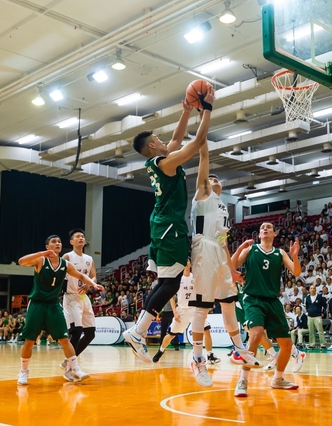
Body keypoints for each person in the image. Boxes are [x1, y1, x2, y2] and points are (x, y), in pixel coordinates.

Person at [124, 84, 215, 362]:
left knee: (167, 282)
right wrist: (207, 109)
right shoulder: (166, 164)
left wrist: (186, 112)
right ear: (152, 145)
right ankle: (138, 331)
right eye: (158, 139)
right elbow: (196, 143)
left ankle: (138, 331)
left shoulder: (157, 162)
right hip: (170, 226)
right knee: (171, 284)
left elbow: (176, 139)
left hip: (162, 224)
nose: (164, 140)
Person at [187, 126, 249, 388]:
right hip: (203, 248)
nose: (213, 180)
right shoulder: (203, 195)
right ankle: (197, 358)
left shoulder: (223, 207)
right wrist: (203, 132)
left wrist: (231, 269)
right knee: (202, 308)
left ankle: (239, 349)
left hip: (219, 253)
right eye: (209, 178)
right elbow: (204, 158)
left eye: (216, 179)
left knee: (229, 303)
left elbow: (224, 242)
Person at [16, 235, 103, 386]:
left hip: (53, 305)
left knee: (64, 339)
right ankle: (23, 372)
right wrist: (42, 253)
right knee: (29, 341)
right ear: (47, 246)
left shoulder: (65, 264)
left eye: (59, 242)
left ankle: (75, 369)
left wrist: (94, 285)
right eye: (54, 242)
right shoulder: (41, 260)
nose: (57, 243)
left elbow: (81, 275)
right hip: (37, 304)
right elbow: (21, 261)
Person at [231, 222, 302, 397]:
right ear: (259, 234)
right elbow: (231, 267)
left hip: (272, 300)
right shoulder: (251, 249)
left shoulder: (280, 253)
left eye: (269, 227)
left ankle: (278, 379)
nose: (265, 229)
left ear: (274, 234)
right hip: (253, 298)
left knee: (286, 344)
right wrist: (240, 248)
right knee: (256, 333)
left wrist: (295, 256)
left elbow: (296, 272)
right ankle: (243, 380)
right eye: (262, 227)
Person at [61, 229, 98, 368]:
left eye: (82, 236)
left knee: (90, 334)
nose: (81, 238)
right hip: (71, 297)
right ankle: (71, 366)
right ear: (71, 241)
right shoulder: (67, 257)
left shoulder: (89, 259)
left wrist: (89, 284)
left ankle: (68, 361)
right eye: (77, 236)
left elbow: (93, 277)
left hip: (83, 297)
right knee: (76, 332)